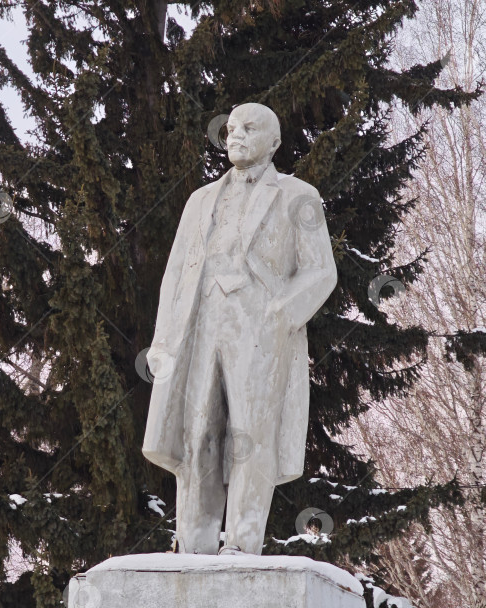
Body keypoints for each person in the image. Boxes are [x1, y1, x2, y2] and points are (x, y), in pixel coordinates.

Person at [143, 102, 337, 555]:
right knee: (197, 433)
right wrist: (164, 338)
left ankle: (243, 544)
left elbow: (321, 271)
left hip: (260, 331)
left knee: (251, 434)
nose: (236, 135)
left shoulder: (299, 195)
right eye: (231, 129)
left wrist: (278, 316)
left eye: (249, 128)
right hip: (200, 327)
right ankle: (193, 545)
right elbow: (175, 274)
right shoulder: (199, 200)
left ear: (275, 142)